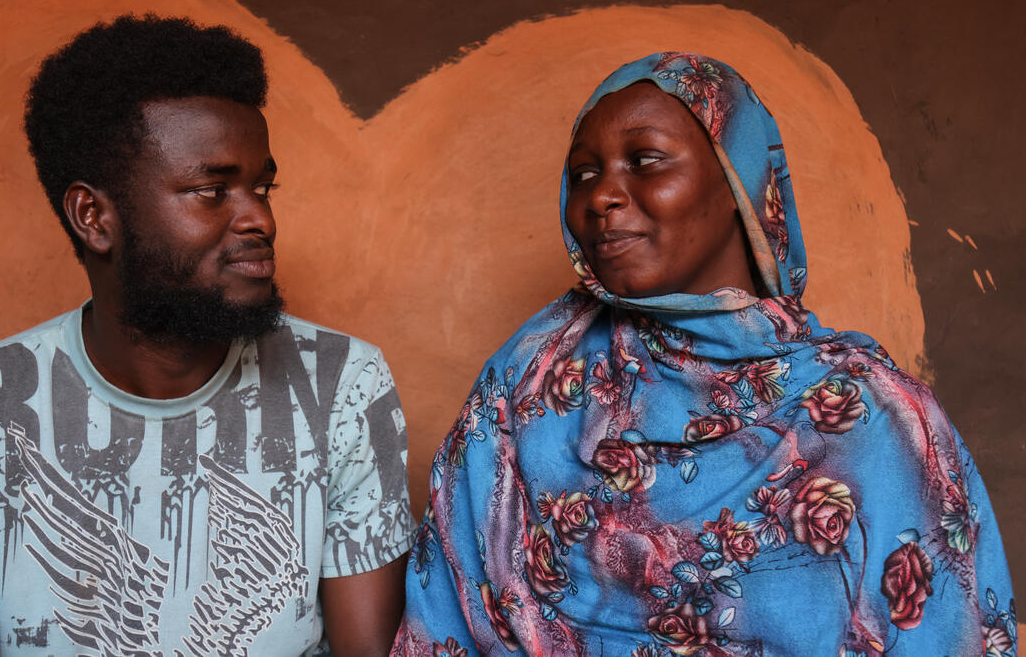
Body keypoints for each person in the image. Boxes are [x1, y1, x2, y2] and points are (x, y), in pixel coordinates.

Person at [394, 53, 1016, 655]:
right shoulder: (531, 375)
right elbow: (445, 606)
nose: (602, 196)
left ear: (738, 184)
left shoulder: (869, 416)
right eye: (583, 174)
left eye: (645, 161)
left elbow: (943, 632)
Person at [0, 15, 414, 656]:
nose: (260, 217)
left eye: (261, 186)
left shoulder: (343, 385)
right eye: (211, 190)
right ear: (93, 217)